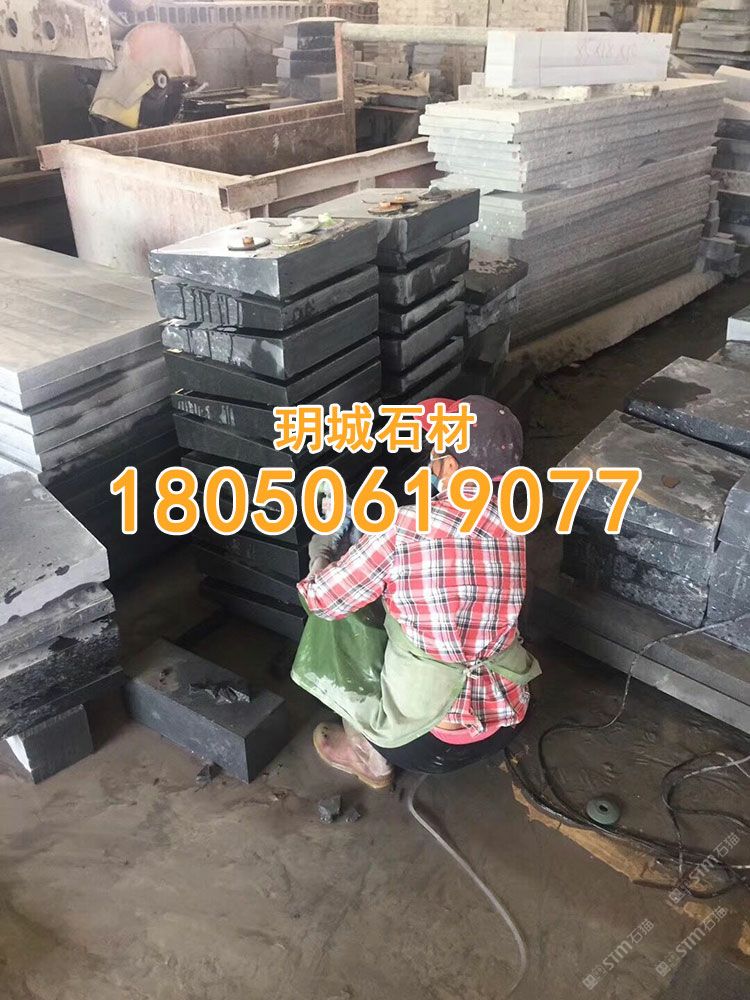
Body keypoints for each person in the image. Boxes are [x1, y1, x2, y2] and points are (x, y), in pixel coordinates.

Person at [292, 395, 541, 788]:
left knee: (347, 617)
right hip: (507, 720)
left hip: (425, 745)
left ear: (451, 467)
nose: (430, 458)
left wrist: (322, 552)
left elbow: (321, 599)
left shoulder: (405, 527)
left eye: (436, 451)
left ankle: (369, 756)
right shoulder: (515, 527)